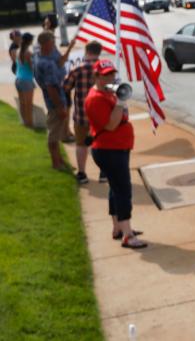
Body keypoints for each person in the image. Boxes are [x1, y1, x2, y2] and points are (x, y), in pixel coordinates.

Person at [84, 59, 147, 249]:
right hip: (109, 150)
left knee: (115, 188)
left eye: (112, 73)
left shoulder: (107, 93)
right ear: (96, 76)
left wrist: (118, 99)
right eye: (106, 75)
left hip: (117, 148)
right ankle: (128, 235)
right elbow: (110, 125)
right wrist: (120, 102)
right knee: (123, 190)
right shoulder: (96, 98)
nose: (111, 77)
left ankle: (118, 228)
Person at [64, 41, 103, 184]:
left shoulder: (77, 68)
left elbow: (66, 87)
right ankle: (104, 173)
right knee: (100, 144)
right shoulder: (104, 69)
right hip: (101, 115)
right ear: (99, 52)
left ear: (86, 51)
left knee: (81, 144)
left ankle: (82, 174)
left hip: (81, 114)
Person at [33, 31, 70, 169]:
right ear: (46, 44)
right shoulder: (46, 63)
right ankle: (56, 163)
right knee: (54, 135)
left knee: (56, 131)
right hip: (55, 102)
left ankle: (59, 160)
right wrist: (60, 107)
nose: (54, 44)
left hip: (52, 100)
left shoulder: (38, 56)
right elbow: (51, 88)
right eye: (52, 42)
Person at [14, 32, 35, 127]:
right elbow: (32, 68)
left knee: (22, 103)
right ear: (29, 41)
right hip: (27, 80)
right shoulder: (28, 53)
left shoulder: (18, 51)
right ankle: (30, 123)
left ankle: (25, 122)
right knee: (28, 104)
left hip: (18, 78)